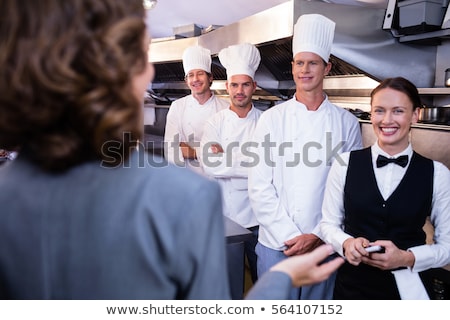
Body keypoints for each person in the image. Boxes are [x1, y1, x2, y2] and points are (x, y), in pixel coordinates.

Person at [0, 0, 343, 300]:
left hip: (264, 222)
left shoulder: (8, 193)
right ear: (138, 70)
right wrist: (280, 281)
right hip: (246, 217)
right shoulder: (184, 199)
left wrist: (215, 157)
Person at [248, 13, 362, 300]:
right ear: (293, 67)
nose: (305, 70)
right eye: (300, 62)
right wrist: (290, 234)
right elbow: (260, 185)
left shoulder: (346, 123)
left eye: (313, 63)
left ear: (327, 68)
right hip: (277, 243)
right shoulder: (272, 120)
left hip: (323, 243)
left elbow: (349, 189)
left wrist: (317, 235)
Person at [319, 77, 450, 300]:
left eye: (398, 111)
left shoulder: (437, 173)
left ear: (415, 115)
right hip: (352, 289)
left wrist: (407, 258)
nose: (387, 120)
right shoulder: (343, 164)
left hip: (410, 292)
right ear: (371, 114)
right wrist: (347, 242)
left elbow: (447, 246)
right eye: (379, 110)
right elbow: (328, 225)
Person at [199, 43, 262, 284]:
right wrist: (251, 161)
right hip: (227, 217)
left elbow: (270, 165)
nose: (240, 90)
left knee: (262, 284)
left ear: (254, 86)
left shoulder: (266, 121)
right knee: (229, 285)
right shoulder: (215, 122)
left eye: (245, 84)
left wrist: (227, 157)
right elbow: (210, 164)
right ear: (227, 87)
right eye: (234, 85)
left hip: (260, 218)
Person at [164, 45, 229, 175]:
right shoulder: (177, 107)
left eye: (200, 74)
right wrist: (209, 153)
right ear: (186, 80)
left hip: (218, 180)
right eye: (191, 75)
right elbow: (170, 150)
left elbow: (228, 152)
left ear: (210, 77)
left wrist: (193, 152)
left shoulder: (226, 108)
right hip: (187, 180)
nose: (195, 79)